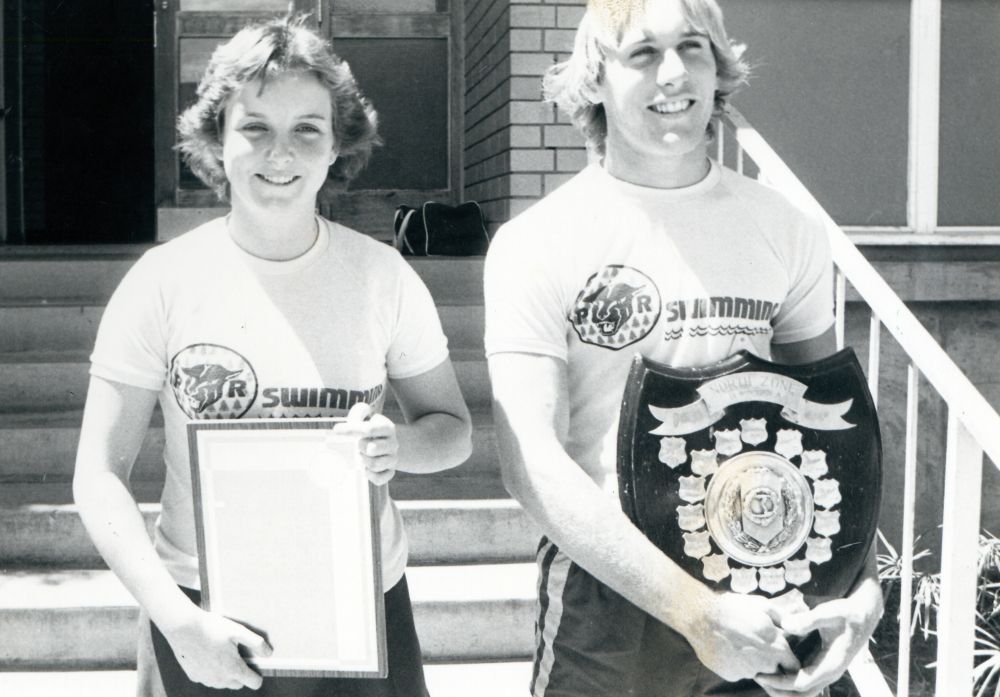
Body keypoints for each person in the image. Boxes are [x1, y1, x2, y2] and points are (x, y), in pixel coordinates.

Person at [483, 1, 884, 695]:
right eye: (642, 53)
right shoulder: (540, 241)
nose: (673, 73)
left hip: (777, 579)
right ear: (595, 80)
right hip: (612, 592)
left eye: (693, 48)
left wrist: (860, 589)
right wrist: (697, 614)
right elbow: (531, 465)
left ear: (720, 67)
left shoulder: (785, 228)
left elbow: (834, 432)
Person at [73, 15, 472, 697]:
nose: (278, 153)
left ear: (337, 145)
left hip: (358, 605)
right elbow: (97, 476)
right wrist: (176, 620)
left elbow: (454, 432)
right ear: (216, 137)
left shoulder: (381, 277)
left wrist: (398, 445)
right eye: (255, 127)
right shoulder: (163, 282)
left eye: (306, 129)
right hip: (203, 611)